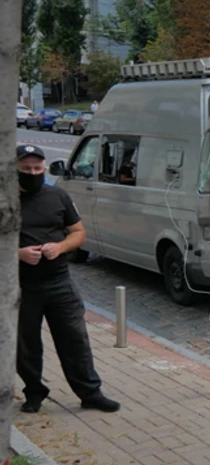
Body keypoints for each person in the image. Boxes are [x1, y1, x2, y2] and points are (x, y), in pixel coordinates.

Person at [16, 144, 120, 414]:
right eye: (26, 169)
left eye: (37, 168)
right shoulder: (5, 201)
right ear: (14, 170)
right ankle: (34, 392)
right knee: (25, 344)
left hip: (59, 282)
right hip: (20, 287)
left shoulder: (57, 196)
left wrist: (59, 247)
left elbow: (78, 232)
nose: (33, 172)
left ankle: (90, 393)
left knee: (75, 339)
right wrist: (17, 253)